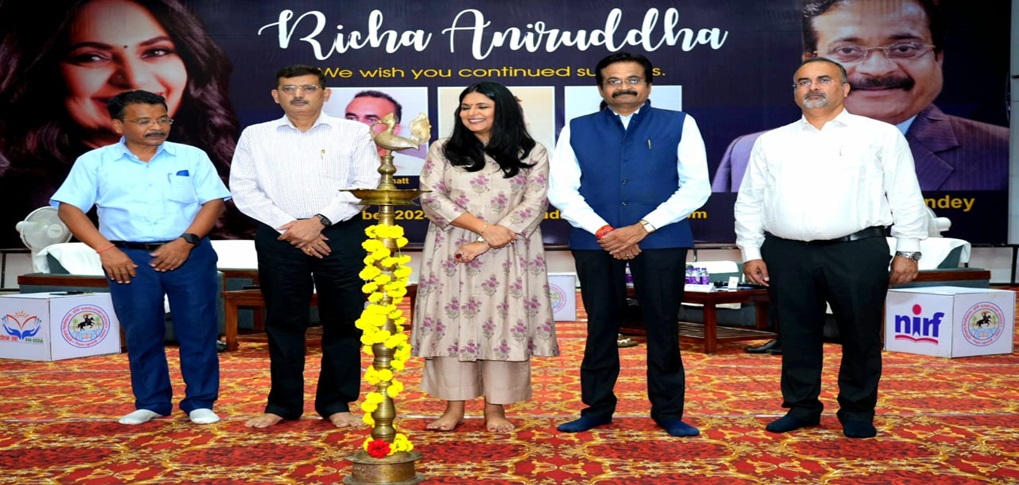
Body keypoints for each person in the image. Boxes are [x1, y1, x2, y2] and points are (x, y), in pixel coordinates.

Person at [734, 58, 928, 438]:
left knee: (860, 333)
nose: (813, 88)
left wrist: (909, 250)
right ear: (794, 92)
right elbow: (750, 200)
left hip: (856, 251)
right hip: (786, 252)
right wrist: (750, 251)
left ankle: (857, 410)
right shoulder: (771, 142)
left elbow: (906, 196)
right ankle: (802, 406)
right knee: (795, 333)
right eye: (803, 82)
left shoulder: (880, 135)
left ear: (845, 88)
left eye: (824, 79)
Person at [549, 52, 710, 437]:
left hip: (661, 239)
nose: (624, 87)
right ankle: (596, 407)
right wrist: (606, 232)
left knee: (663, 325)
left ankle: (668, 411)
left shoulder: (680, 124)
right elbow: (562, 191)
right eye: (613, 81)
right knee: (601, 324)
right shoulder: (578, 127)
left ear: (649, 85)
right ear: (602, 88)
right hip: (595, 242)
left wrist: (643, 227)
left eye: (633, 79)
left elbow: (696, 187)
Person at [0, 0, 243, 247]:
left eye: (155, 52)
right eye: (93, 57)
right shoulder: (30, 192)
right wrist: (109, 252)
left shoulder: (200, 158)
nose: (134, 78)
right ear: (42, 73)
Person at [50, 90, 229, 425]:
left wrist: (186, 241)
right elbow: (69, 209)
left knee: (200, 328)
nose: (157, 126)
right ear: (119, 124)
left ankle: (201, 401)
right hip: (127, 259)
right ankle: (151, 401)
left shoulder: (191, 157)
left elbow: (214, 202)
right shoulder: (95, 162)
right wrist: (106, 250)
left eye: (163, 119)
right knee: (141, 331)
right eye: (144, 120)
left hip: (189, 254)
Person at [712, 0, 1008, 192]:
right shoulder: (747, 153)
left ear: (938, 57)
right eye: (848, 51)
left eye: (904, 48)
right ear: (809, 62)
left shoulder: (1003, 152)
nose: (877, 69)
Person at [230, 65, 380, 429]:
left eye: (308, 88)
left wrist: (317, 223)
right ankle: (282, 404)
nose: (299, 95)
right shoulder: (256, 135)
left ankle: (336, 402)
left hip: (339, 233)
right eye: (289, 88)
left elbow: (365, 185)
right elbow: (244, 188)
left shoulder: (354, 132)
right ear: (275, 95)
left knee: (344, 320)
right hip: (279, 234)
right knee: (283, 321)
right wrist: (293, 227)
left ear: (325, 94)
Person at [411, 81, 559, 433]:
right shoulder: (443, 149)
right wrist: (482, 228)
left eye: (481, 106)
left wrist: (489, 239)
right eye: (465, 107)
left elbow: (535, 203)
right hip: (452, 249)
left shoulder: (531, 152)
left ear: (502, 110)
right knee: (452, 325)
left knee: (504, 326)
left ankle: (496, 410)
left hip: (510, 251)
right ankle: (453, 408)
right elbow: (431, 197)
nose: (471, 113)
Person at [344, 90, 425, 177]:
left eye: (371, 120)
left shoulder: (418, 169)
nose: (358, 126)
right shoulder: (329, 163)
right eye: (351, 118)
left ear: (394, 129)